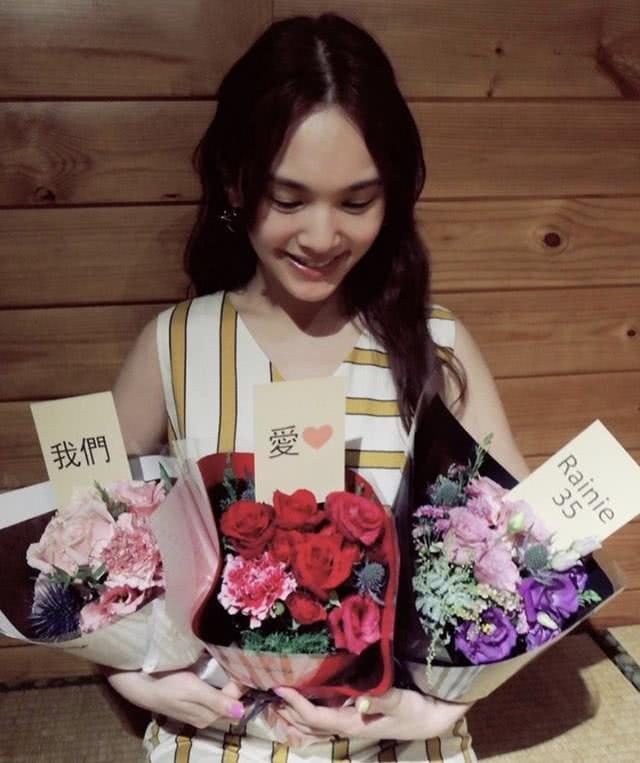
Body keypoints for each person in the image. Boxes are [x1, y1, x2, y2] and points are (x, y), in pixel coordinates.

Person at [109, 13, 529, 762]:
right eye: (288, 198)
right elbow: (82, 535)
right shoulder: (174, 345)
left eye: (357, 202)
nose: (321, 236)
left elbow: (525, 556)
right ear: (235, 181)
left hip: (392, 742)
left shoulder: (436, 349)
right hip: (217, 737)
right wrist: (129, 673)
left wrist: (436, 709)